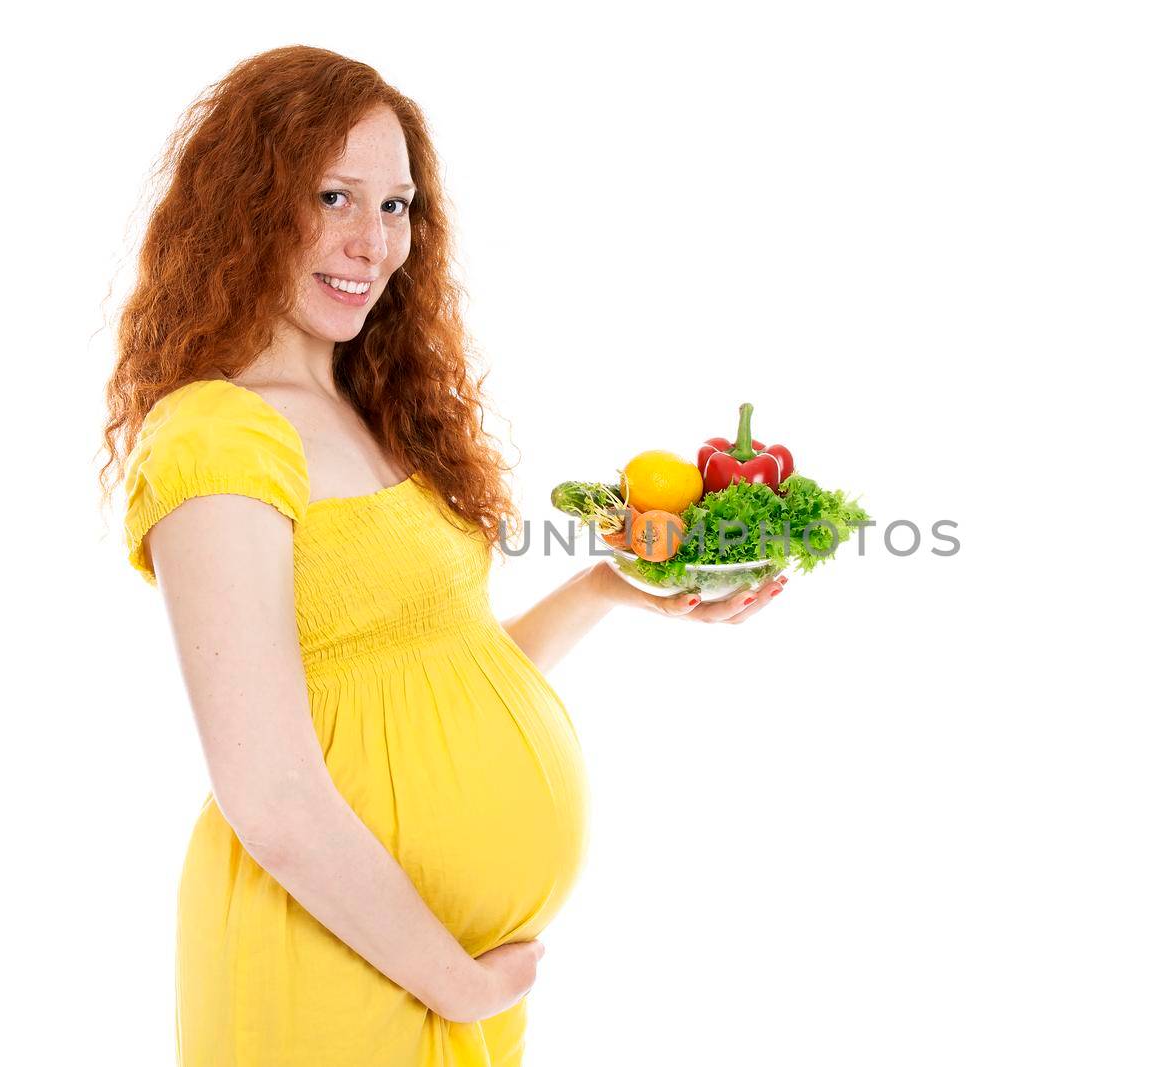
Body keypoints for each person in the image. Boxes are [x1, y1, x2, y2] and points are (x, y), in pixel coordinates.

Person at [97, 45, 787, 1066]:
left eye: (395, 205)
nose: (369, 240)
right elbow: (270, 792)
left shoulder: (360, 409)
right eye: (331, 194)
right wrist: (454, 979)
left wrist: (611, 584)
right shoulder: (216, 436)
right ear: (244, 203)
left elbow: (430, 674)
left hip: (429, 966)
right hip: (335, 970)